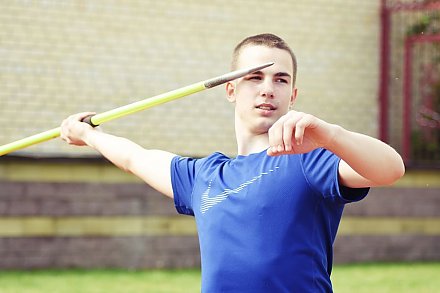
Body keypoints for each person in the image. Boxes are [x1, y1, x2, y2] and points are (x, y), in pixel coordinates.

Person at [60, 33, 405, 292]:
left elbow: (390, 169)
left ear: (292, 95)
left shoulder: (310, 161)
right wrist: (88, 135)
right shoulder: (203, 177)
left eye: (280, 79)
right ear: (230, 90)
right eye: (255, 77)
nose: (268, 88)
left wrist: (330, 135)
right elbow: (135, 157)